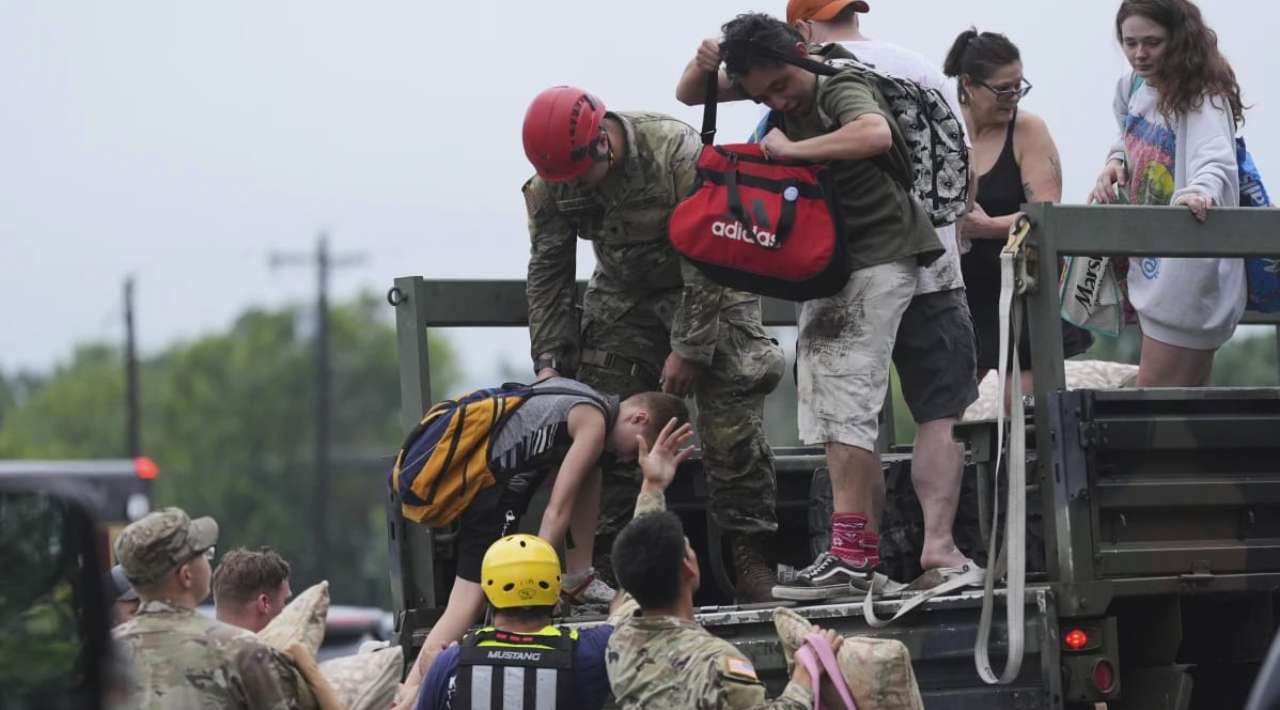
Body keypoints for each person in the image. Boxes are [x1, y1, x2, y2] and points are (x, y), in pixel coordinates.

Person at [675, 13, 943, 601]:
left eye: (779, 84)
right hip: (833, 264)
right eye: (761, 91)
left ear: (802, 51)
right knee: (828, 399)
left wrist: (791, 151)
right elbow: (690, 94)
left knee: (845, 396)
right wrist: (705, 62)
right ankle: (856, 553)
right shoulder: (772, 78)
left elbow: (873, 134)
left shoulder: (837, 79)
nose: (775, 97)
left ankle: (849, 556)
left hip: (881, 253)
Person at [522, 85, 786, 603]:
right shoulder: (553, 180)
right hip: (624, 290)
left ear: (602, 144)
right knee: (596, 408)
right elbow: (548, 271)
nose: (574, 186)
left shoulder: (672, 152)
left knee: (732, 395)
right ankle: (603, 560)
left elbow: (710, 251)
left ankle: (750, 555)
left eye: (579, 174)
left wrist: (690, 347)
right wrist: (551, 364)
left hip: (708, 279)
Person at [764, 0, 983, 599]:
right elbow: (965, 173)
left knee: (848, 410)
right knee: (940, 411)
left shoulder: (809, 76)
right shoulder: (916, 66)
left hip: (857, 262)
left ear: (800, 30)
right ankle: (941, 547)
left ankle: (858, 556)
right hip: (936, 260)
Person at [397, 379, 688, 706]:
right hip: (492, 490)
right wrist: (539, 580)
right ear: (639, 419)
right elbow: (556, 513)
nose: (627, 459)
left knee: (594, 467)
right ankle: (408, 692)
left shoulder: (584, 397)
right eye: (634, 450)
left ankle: (579, 577)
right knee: (466, 601)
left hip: (502, 483)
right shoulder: (592, 420)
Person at [606, 417, 842, 708]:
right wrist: (804, 678)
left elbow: (639, 555)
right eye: (688, 549)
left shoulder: (620, 636)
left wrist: (652, 485)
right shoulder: (717, 663)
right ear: (688, 568)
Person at [1088, 0, 1247, 386]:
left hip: (1187, 272)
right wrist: (1115, 164)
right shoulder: (1134, 87)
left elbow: (1215, 159)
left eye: (1152, 43)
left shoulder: (1200, 95)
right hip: (1154, 263)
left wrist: (1200, 192)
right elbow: (1128, 141)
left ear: (1178, 39)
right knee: (1179, 413)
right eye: (1130, 43)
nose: (1139, 54)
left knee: (1155, 408)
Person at [944, 28, 1093, 393]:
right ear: (968, 84)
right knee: (951, 408)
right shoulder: (944, 126)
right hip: (959, 290)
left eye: (1018, 86)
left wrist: (988, 226)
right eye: (1002, 89)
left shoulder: (1028, 130)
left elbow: (1046, 214)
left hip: (1020, 291)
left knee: (1020, 411)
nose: (1012, 97)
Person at [111, 507, 315, 710]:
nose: (209, 563)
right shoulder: (240, 649)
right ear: (186, 575)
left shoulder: (105, 653)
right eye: (204, 554)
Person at [414, 533, 615, 710]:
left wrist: (429, 677)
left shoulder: (449, 663)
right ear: (557, 599)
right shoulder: (588, 653)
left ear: (486, 597)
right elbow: (629, 611)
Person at [213, 546, 293, 633]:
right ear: (264, 603)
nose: (291, 610)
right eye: (286, 602)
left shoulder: (198, 643)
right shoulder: (288, 645)